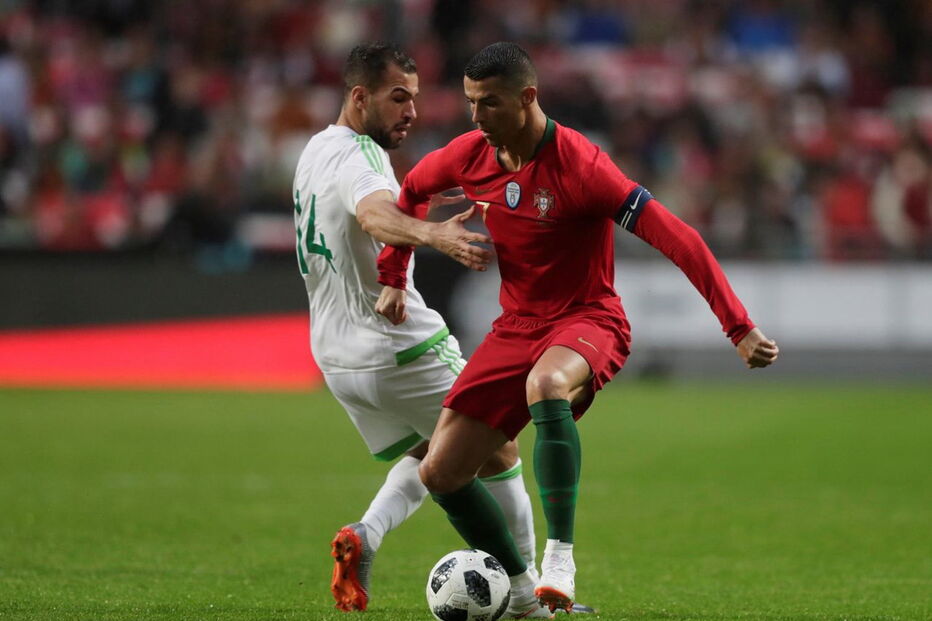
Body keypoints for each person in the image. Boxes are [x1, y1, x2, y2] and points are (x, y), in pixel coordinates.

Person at [376, 42, 780, 614]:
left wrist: (737, 326)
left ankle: (560, 555)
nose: (476, 116)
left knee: (544, 387)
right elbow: (410, 192)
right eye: (470, 103)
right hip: (515, 328)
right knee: (442, 473)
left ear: (528, 98)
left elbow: (677, 236)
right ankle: (520, 593)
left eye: (489, 103)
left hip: (589, 319)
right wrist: (393, 272)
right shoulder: (470, 155)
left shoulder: (581, 165)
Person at [292, 42, 573, 618]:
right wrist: (436, 236)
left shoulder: (316, 151)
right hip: (400, 344)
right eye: (398, 98)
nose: (411, 112)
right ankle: (526, 602)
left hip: (338, 358)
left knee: (434, 452)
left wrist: (415, 222)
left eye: (415, 99)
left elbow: (366, 216)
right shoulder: (360, 157)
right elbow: (373, 214)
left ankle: (366, 534)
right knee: (496, 450)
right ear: (358, 96)